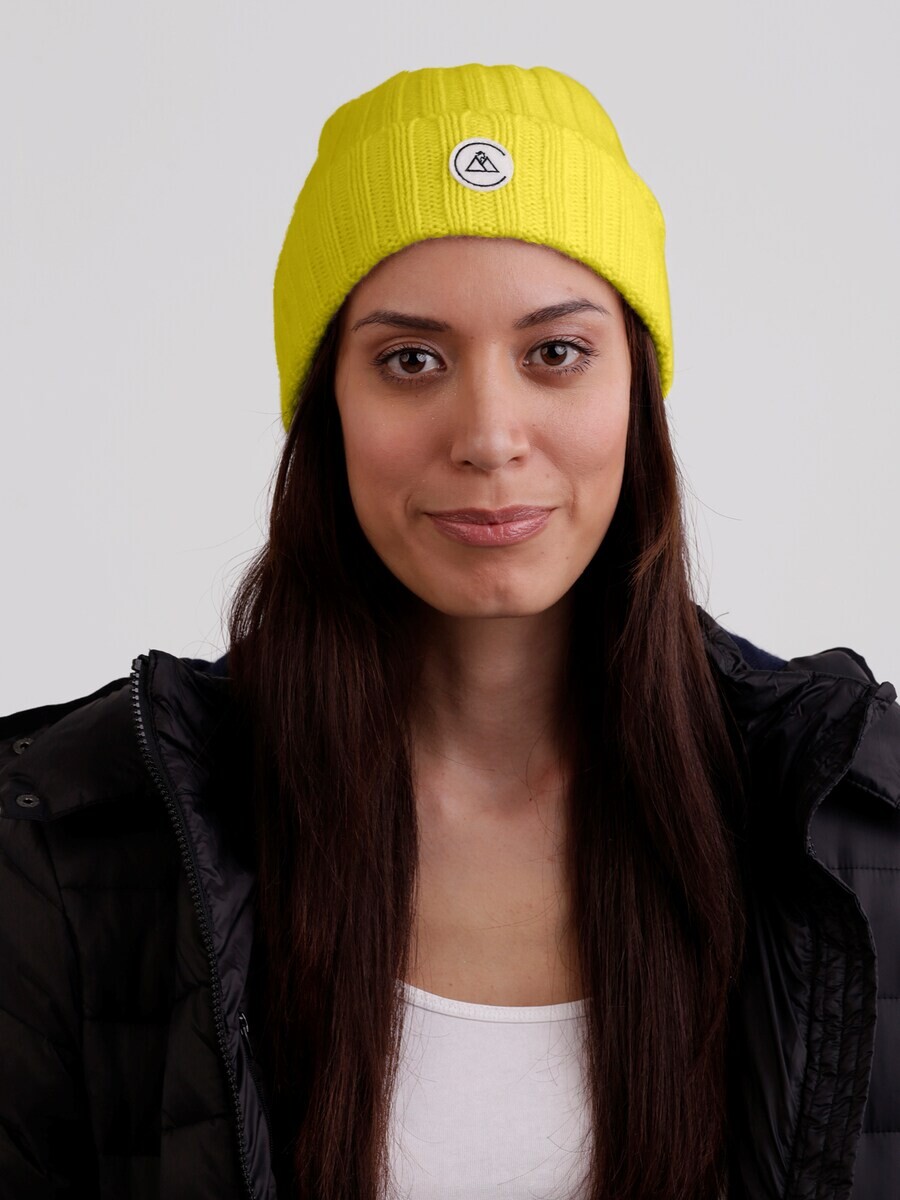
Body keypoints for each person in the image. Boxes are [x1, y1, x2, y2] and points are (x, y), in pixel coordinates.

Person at [1, 62, 898, 1200]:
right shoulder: (73, 840)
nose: (487, 433)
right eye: (410, 360)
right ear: (328, 405)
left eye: (555, 353)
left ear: (636, 390)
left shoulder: (853, 824)